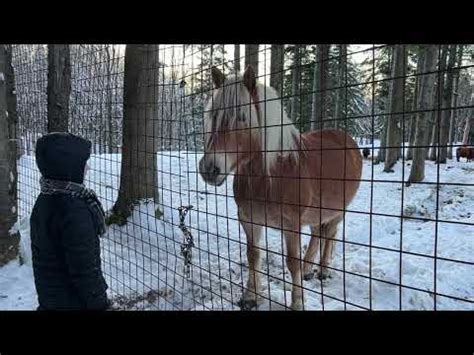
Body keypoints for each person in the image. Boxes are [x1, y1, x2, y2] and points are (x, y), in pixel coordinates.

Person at [30, 132, 110, 310]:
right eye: (83, 163)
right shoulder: (74, 210)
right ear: (69, 166)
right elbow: (85, 269)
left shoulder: (45, 198)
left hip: (51, 299)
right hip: (74, 302)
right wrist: (101, 304)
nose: (87, 168)